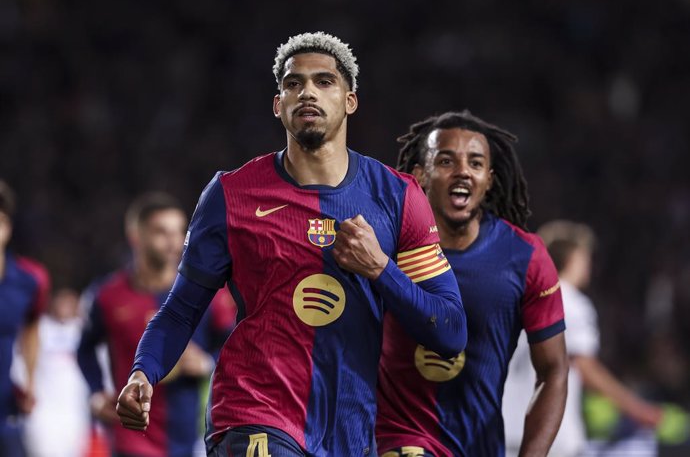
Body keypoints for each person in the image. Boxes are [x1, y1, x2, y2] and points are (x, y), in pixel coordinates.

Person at [116, 32, 467, 457]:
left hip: (351, 433)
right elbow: (181, 309)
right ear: (277, 104)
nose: (307, 93)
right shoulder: (232, 194)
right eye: (293, 83)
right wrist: (143, 373)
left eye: (324, 82)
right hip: (255, 415)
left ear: (350, 100)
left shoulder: (398, 197)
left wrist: (380, 269)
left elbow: (450, 331)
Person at [376, 110, 569, 457]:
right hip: (396, 439)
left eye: (476, 163)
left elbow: (553, 370)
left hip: (481, 446)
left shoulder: (524, 256)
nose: (463, 170)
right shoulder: (383, 247)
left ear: (489, 179)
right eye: (447, 160)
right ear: (420, 175)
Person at [78, 192, 236, 457]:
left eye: (178, 232)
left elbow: (233, 344)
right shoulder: (107, 296)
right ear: (135, 236)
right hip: (131, 439)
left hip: (192, 439)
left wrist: (207, 362)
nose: (173, 241)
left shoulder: (210, 296)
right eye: (161, 232)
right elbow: (85, 349)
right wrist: (96, 393)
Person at [502, 220, 663, 457]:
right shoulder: (571, 302)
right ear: (574, 259)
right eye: (586, 258)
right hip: (552, 438)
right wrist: (636, 409)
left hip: (506, 432)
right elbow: (584, 366)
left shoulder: (515, 299)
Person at [0, 180, 51, 457]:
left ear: (6, 227)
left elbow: (31, 326)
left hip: (5, 411)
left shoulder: (30, 281)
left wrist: (30, 381)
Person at [22, 288, 90, 457]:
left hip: (74, 409)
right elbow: (22, 361)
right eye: (62, 301)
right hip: (44, 407)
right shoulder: (39, 329)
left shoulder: (84, 331)